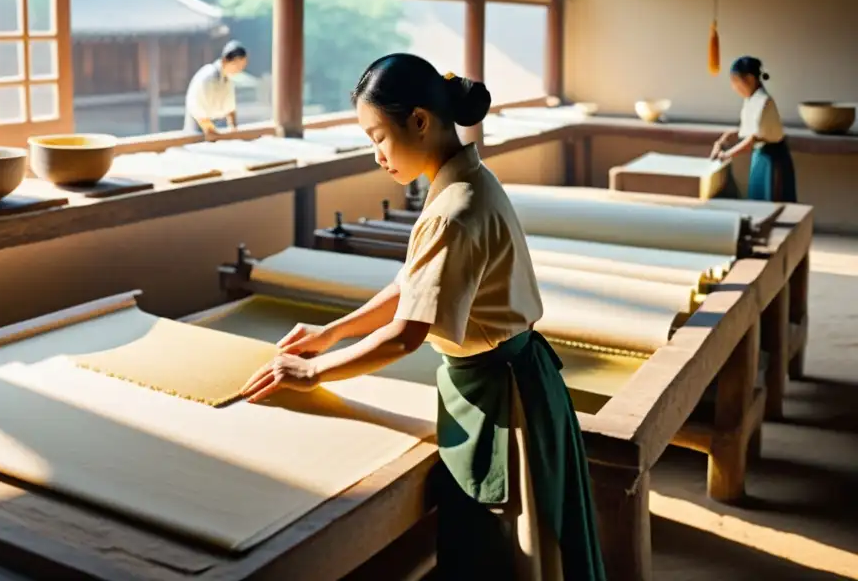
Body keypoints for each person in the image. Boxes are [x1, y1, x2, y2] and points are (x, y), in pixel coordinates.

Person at [239, 54, 605, 580]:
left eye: (378, 137)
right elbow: (409, 288)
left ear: (418, 121)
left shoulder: (454, 211)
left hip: (502, 397)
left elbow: (407, 335)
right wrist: (331, 333)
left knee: (502, 556)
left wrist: (313, 371)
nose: (376, 156)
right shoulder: (464, 182)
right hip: (511, 380)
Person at [710, 56, 797, 202]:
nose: (734, 87)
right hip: (760, 155)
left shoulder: (764, 101)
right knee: (757, 200)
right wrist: (722, 140)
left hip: (772, 158)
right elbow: (745, 130)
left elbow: (751, 139)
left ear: (750, 79)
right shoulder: (750, 99)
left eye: (736, 81)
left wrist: (727, 154)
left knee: (772, 203)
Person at [183, 40, 249, 138]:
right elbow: (196, 107)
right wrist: (210, 129)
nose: (240, 69)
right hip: (199, 126)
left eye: (242, 66)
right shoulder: (208, 76)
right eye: (237, 65)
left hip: (217, 125)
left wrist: (234, 127)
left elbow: (231, 107)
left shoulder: (228, 79)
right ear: (225, 60)